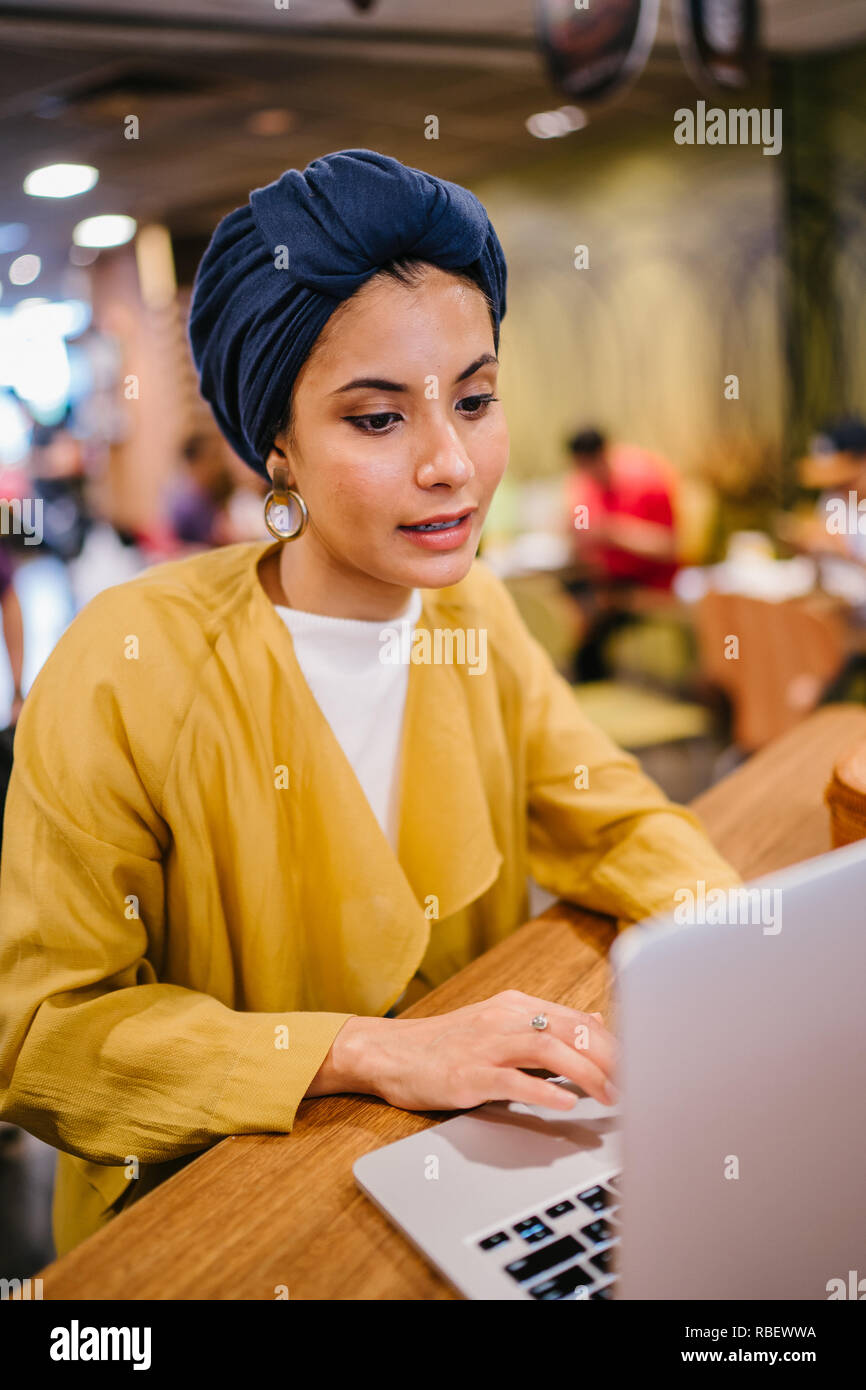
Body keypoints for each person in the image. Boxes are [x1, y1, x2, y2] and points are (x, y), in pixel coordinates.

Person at [0, 150, 742, 1258]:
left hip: (478, 1160)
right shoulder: (127, 662)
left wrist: (742, 952)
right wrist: (368, 1052)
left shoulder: (473, 615)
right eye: (378, 418)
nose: (452, 463)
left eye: (476, 399)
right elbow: (41, 1034)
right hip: (224, 1213)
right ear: (278, 447)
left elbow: (616, 818)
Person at [564, 427, 680, 681]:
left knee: (590, 608)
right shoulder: (586, 483)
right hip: (607, 577)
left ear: (603, 454)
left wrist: (614, 533)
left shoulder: (647, 480)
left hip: (649, 580)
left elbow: (670, 547)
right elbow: (578, 529)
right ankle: (581, 678)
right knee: (559, 598)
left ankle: (590, 680)